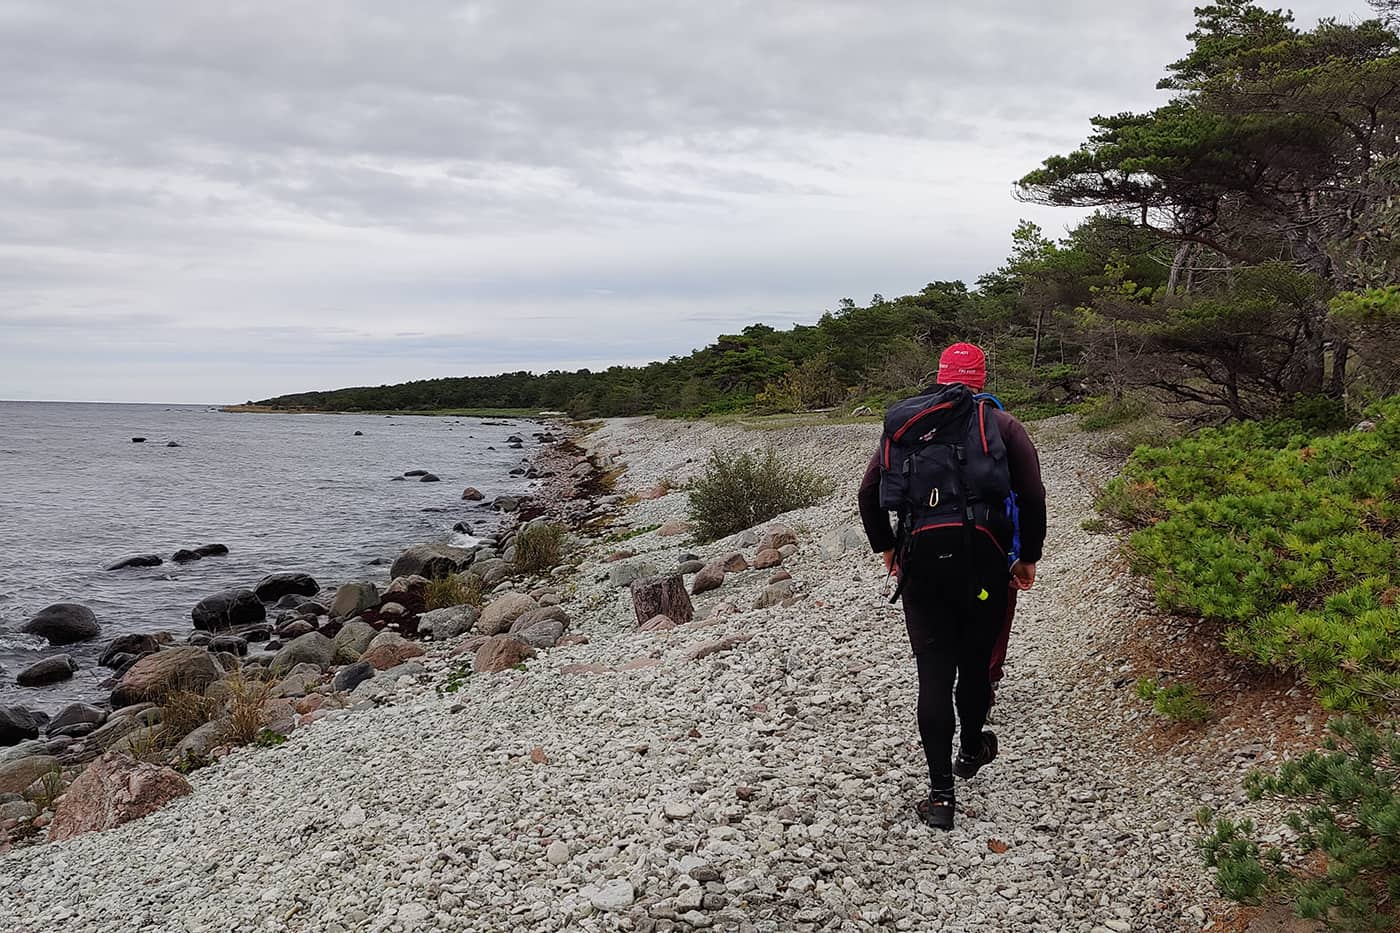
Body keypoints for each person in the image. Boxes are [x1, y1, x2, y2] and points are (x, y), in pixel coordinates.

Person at [857, 342, 1047, 830]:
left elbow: (868, 494)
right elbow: (1031, 496)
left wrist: (888, 549)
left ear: (940, 376)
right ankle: (970, 750)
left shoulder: (906, 425)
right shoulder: (1002, 425)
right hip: (983, 565)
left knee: (934, 673)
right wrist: (1027, 558)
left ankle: (941, 797)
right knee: (976, 662)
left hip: (921, 564)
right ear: (982, 378)